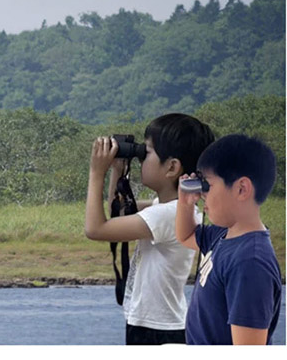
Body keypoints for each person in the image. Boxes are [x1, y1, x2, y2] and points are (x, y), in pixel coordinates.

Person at [85, 113, 215, 345]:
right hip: (158, 325)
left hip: (157, 330)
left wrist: (97, 173)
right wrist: (117, 169)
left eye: (147, 152)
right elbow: (120, 210)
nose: (141, 158)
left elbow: (95, 229)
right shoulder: (170, 209)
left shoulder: (168, 214)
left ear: (172, 167)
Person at [175, 134, 282, 345]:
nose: (202, 193)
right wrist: (185, 202)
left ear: (241, 189)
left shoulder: (250, 262)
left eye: (208, 186)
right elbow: (186, 235)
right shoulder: (223, 234)